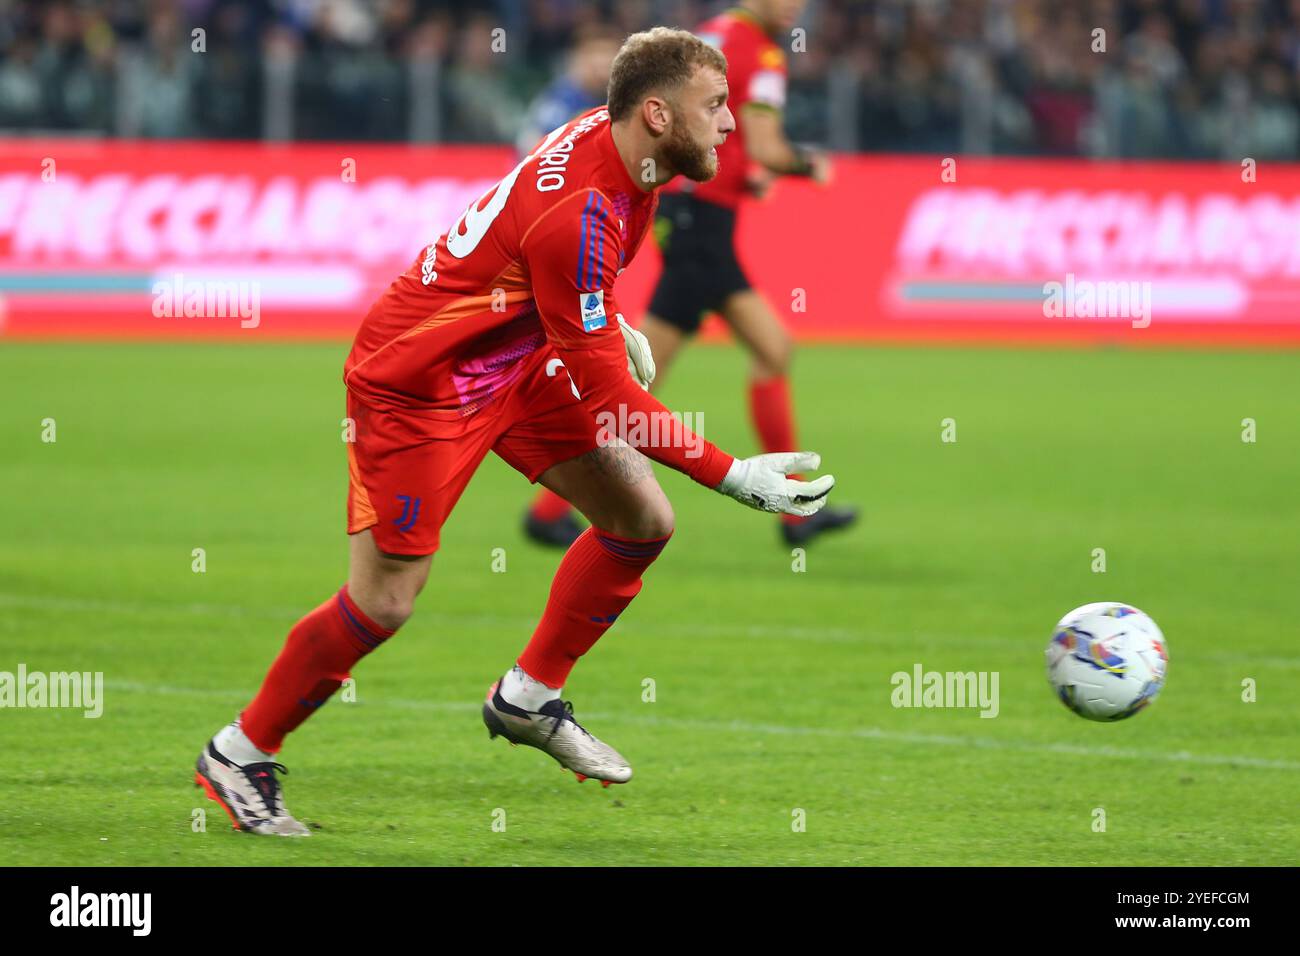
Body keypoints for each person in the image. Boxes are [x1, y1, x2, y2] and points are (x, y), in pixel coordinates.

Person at [192, 26, 837, 836]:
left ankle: (527, 697)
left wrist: (602, 321)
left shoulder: (617, 150)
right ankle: (240, 749)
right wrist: (734, 474)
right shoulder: (586, 208)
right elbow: (609, 395)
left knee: (641, 520)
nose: (732, 123)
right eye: (715, 106)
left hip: (516, 361)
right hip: (420, 385)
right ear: (657, 114)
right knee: (386, 600)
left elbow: (551, 267)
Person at [524, 1, 857, 549]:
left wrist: (742, 174)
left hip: (688, 215)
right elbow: (768, 146)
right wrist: (807, 165)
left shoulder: (710, 37)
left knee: (681, 366)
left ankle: (795, 513)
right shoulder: (763, 51)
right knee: (637, 381)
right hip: (703, 230)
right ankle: (550, 506)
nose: (796, 7)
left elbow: (704, 136)